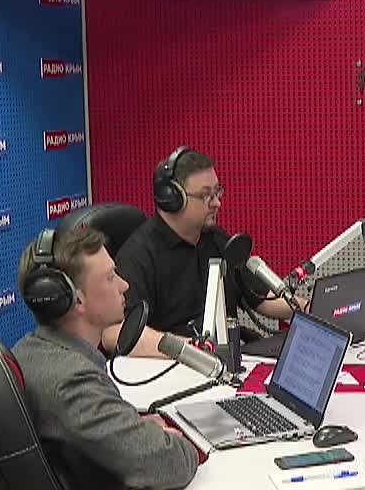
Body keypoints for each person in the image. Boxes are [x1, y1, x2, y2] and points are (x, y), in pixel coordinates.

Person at [13, 226, 218, 490]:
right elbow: (171, 464)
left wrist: (133, 428)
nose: (124, 285)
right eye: (110, 277)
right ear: (74, 299)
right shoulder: (71, 381)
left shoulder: (33, 351)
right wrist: (171, 441)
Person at [114, 147, 301, 347]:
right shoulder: (138, 256)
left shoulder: (216, 240)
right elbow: (116, 333)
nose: (217, 203)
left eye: (217, 192)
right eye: (206, 196)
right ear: (172, 199)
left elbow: (262, 299)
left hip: (226, 356)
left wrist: (309, 310)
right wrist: (190, 349)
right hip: (174, 361)